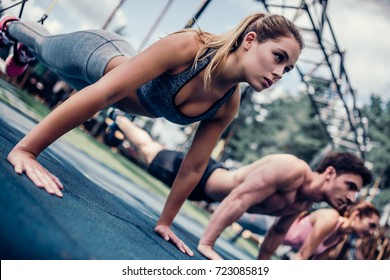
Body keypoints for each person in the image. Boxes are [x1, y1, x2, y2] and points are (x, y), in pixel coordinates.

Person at [1, 12, 303, 255]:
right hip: (96, 56)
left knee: (45, 61)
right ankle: (12, 29)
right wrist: (27, 150)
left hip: (98, 92)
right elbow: (105, 93)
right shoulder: (190, 48)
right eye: (279, 57)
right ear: (250, 40)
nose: (279, 73)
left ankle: (24, 54)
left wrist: (166, 222)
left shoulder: (228, 104)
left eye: (287, 69)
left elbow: (195, 166)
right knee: (42, 43)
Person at [106, 113, 373, 259]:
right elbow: (239, 198)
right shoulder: (291, 169)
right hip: (203, 177)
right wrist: (207, 244)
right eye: (350, 186)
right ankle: (118, 116)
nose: (351, 197)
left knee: (152, 149)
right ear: (329, 173)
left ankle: (118, 120)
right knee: (149, 150)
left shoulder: (305, 202)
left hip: (208, 193)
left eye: (355, 192)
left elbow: (277, 233)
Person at [282, 200, 380, 259]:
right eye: (371, 225)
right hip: (271, 229)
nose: (371, 232)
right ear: (356, 216)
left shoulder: (340, 238)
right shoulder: (331, 218)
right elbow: (302, 256)